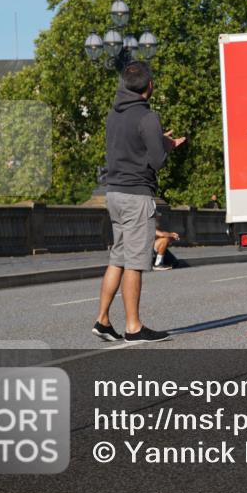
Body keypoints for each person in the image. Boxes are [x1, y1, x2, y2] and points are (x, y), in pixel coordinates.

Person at [93, 61, 184, 344]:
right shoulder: (148, 117)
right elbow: (157, 161)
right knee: (134, 261)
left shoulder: (113, 114)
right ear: (150, 85)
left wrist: (155, 140)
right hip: (136, 194)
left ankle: (103, 320)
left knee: (118, 258)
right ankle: (133, 327)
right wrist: (166, 145)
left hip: (114, 193)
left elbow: (128, 147)